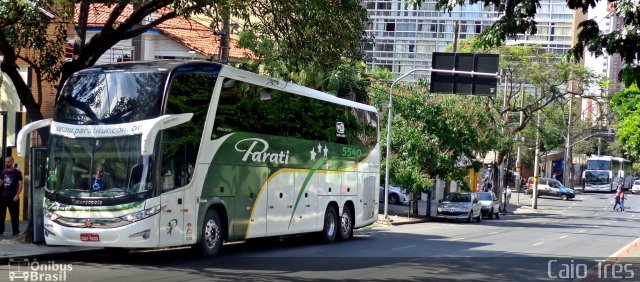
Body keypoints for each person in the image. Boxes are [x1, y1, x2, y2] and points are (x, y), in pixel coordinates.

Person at [0, 157, 24, 236]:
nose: (7, 163)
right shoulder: (3, 172)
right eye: (6, 162)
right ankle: (0, 230)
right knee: (1, 215)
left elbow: (20, 184)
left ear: (12, 162)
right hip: (3, 197)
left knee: (14, 215)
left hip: (13, 197)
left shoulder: (17, 173)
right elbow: (1, 182)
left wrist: (17, 195)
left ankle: (15, 231)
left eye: (9, 162)